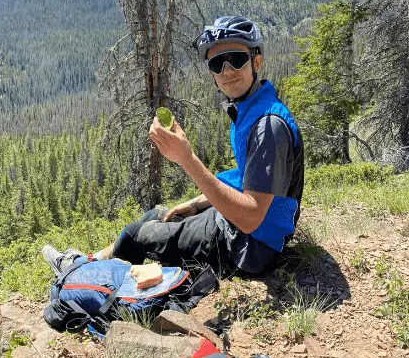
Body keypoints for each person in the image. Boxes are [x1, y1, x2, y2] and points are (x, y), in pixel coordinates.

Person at [43, 16, 304, 279]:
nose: (227, 71)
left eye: (237, 58)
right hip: (249, 231)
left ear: (256, 61)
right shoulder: (251, 110)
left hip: (253, 247)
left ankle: (85, 279)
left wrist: (186, 158)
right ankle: (86, 261)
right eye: (217, 63)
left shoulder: (267, 125)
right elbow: (249, 179)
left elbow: (251, 217)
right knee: (158, 215)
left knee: (138, 236)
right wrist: (195, 204)